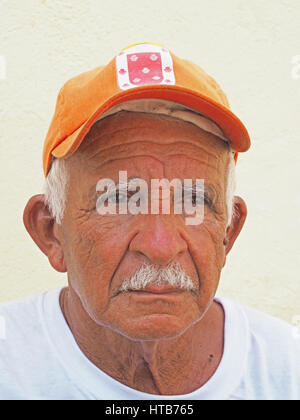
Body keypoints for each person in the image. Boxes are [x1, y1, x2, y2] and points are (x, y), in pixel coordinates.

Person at [0, 43, 299, 400]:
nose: (161, 246)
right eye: (121, 198)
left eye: (194, 200)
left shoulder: (287, 370)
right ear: (51, 233)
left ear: (228, 234)